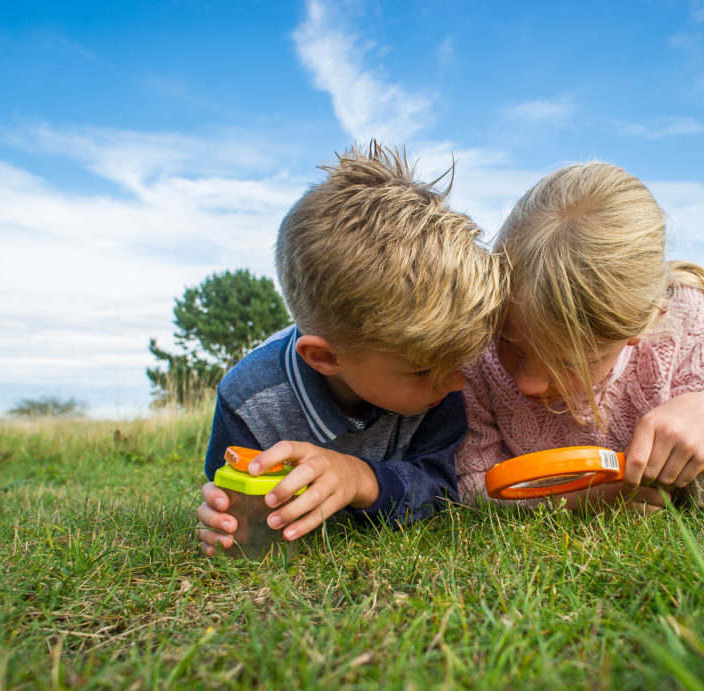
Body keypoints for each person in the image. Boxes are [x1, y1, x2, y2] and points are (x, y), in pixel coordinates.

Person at [196, 142, 505, 555]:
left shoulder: (439, 383)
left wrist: (360, 480)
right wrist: (225, 515)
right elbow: (230, 495)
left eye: (457, 361)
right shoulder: (249, 400)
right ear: (325, 358)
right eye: (421, 371)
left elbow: (442, 487)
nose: (455, 382)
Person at [456, 161, 704, 511]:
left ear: (642, 322)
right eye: (508, 342)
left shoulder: (686, 325)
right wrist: (593, 498)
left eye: (567, 361)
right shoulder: (478, 343)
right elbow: (470, 485)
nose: (527, 383)